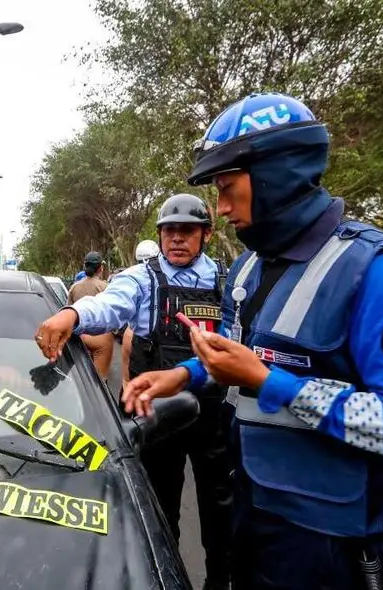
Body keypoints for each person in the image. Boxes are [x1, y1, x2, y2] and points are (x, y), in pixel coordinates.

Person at [123, 92, 383, 590]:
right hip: (249, 515)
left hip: (326, 548)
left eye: (229, 188)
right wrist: (183, 374)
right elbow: (241, 355)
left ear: (278, 177)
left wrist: (273, 383)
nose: (222, 208)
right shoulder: (251, 267)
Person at [35, 195, 232, 590]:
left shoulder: (226, 282)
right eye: (169, 231)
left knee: (222, 512)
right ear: (159, 235)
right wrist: (72, 315)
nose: (177, 239)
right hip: (155, 416)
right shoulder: (142, 278)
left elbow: (237, 337)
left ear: (206, 235)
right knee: (159, 511)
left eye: (187, 231)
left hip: (213, 417)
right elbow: (108, 306)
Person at [121, 240, 163, 388]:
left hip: (135, 334)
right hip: (150, 340)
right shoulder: (165, 276)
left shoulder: (133, 276)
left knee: (129, 382)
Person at [66, 251, 114, 380]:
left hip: (79, 335)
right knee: (100, 380)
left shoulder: (74, 287)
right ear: (100, 268)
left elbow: (68, 309)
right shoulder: (105, 287)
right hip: (100, 337)